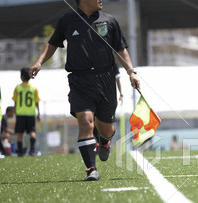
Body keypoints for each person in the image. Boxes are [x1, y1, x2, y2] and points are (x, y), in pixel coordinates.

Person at [30, 0, 140, 181]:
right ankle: (91, 169)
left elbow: (121, 49)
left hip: (105, 79)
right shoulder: (67, 20)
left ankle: (104, 141)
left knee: (106, 128)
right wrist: (39, 62)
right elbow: (52, 44)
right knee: (86, 121)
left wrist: (131, 72)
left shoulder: (110, 21)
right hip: (79, 80)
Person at [13, 67, 41, 157]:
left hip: (20, 113)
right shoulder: (34, 89)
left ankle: (20, 152)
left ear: (21, 77)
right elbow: (37, 102)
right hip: (31, 113)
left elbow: (15, 101)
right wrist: (39, 113)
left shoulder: (17, 88)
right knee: (32, 132)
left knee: (20, 133)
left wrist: (15, 111)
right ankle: (32, 151)